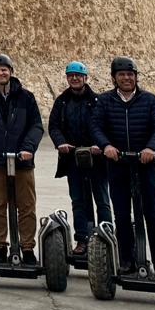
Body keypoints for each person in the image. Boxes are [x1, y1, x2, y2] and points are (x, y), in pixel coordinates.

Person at [91, 55, 155, 277]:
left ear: (136, 77)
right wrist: (106, 145)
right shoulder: (104, 101)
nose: (126, 78)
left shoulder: (149, 100)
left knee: (152, 214)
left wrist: (152, 149)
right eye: (122, 75)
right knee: (122, 215)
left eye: (130, 74)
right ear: (115, 78)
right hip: (118, 164)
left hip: (144, 164)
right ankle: (127, 260)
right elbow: (96, 126)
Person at [0, 53, 43, 259]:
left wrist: (28, 148)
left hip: (22, 160)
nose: (1, 73)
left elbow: (36, 126)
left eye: (4, 69)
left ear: (11, 71)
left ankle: (27, 247)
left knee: (26, 206)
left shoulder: (26, 97)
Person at [47, 60, 110, 258]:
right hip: (73, 158)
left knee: (102, 200)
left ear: (85, 78)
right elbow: (54, 126)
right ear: (67, 78)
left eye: (78, 75)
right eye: (71, 75)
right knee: (78, 201)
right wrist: (60, 143)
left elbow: (104, 125)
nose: (74, 78)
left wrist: (100, 145)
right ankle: (82, 239)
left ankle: (106, 236)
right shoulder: (62, 101)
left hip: (96, 158)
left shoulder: (97, 101)